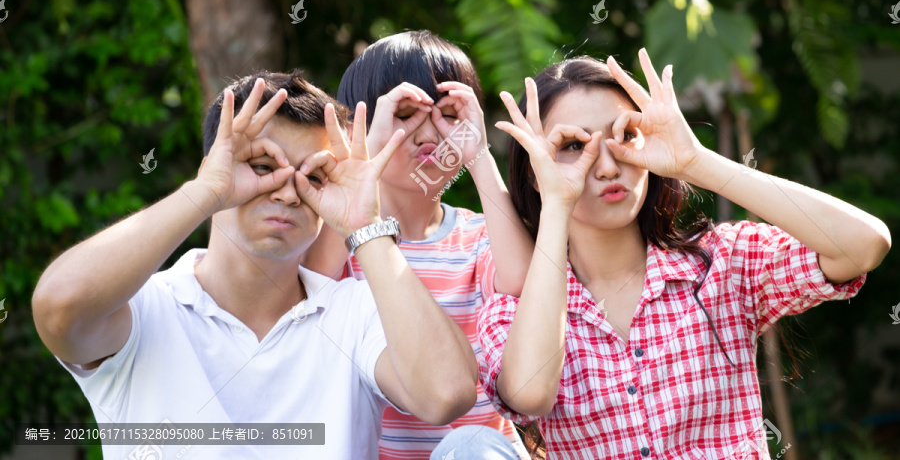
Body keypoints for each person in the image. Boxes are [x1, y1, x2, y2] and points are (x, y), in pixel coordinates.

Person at [32, 71, 479, 460]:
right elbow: (59, 307)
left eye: (313, 178)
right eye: (263, 167)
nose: (287, 193)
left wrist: (367, 226)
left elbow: (448, 395)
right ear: (215, 169)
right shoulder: (145, 310)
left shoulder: (355, 312)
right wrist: (205, 191)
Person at [475, 51, 891, 459]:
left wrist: (695, 161)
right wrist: (556, 202)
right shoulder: (513, 311)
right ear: (533, 170)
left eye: (623, 136)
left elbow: (863, 244)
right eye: (571, 145)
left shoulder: (722, 263)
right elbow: (530, 394)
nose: (605, 166)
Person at [304, 31, 533, 460]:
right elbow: (310, 287)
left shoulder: (479, 235)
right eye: (405, 114)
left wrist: (478, 153)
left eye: (447, 116)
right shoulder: (342, 243)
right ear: (358, 129)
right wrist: (365, 158)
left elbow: (522, 281)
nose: (428, 133)